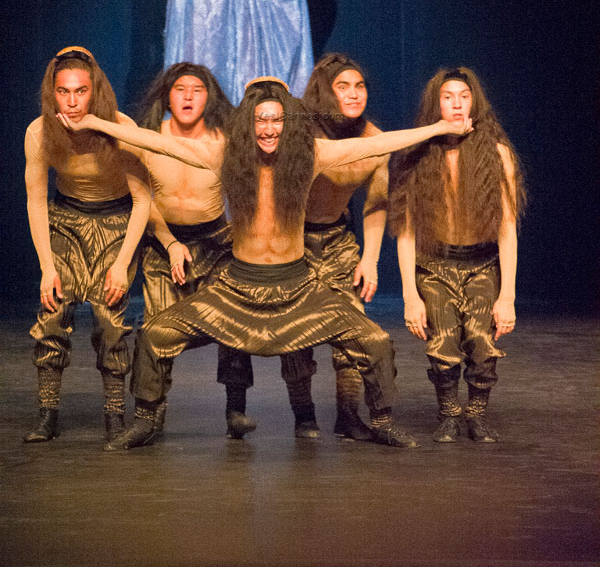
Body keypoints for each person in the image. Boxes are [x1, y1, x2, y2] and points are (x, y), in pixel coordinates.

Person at [59, 76, 471, 452]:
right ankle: (146, 421)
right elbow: (158, 143)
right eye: (261, 120)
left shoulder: (310, 156)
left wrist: (438, 128)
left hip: (299, 289)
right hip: (236, 289)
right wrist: (94, 122)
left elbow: (377, 145)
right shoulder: (226, 156)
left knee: (376, 341)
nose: (269, 129)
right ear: (249, 124)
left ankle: (381, 421)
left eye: (277, 120)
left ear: (288, 123)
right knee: (155, 334)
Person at [388, 68, 525, 443]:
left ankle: (476, 414)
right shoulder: (417, 154)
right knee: (443, 345)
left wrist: (507, 296)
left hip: (481, 264)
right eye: (447, 96)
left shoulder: (496, 154)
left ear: (475, 101)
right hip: (434, 266)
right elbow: (406, 232)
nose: (457, 104)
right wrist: (409, 296)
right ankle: (449, 413)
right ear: (436, 103)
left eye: (464, 96)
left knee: (482, 343)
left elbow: (507, 228)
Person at [24, 46, 151, 443]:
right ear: (53, 92)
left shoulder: (120, 127)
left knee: (110, 318)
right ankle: (47, 415)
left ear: (95, 91)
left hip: (116, 223)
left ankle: (114, 415)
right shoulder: (40, 132)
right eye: (64, 91)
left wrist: (122, 263)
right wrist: (47, 266)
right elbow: (35, 200)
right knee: (52, 309)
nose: (73, 101)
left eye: (81, 91)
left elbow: (143, 200)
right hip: (66, 221)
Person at [135, 62, 255, 438]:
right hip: (163, 243)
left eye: (197, 90)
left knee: (233, 319)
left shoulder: (223, 139)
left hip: (215, 242)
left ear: (209, 97)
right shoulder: (149, 138)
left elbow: (245, 189)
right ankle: (149, 415)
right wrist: (170, 242)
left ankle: (236, 409)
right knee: (156, 327)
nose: (188, 96)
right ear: (167, 96)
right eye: (180, 89)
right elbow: (142, 199)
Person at [280, 54, 390, 441]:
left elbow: (376, 204)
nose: (354, 93)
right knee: (295, 332)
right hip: (293, 239)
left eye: (360, 86)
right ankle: (304, 415)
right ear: (326, 92)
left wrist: (370, 259)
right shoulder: (301, 132)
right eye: (343, 87)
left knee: (352, 329)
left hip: (339, 240)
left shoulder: (375, 140)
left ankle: (347, 414)